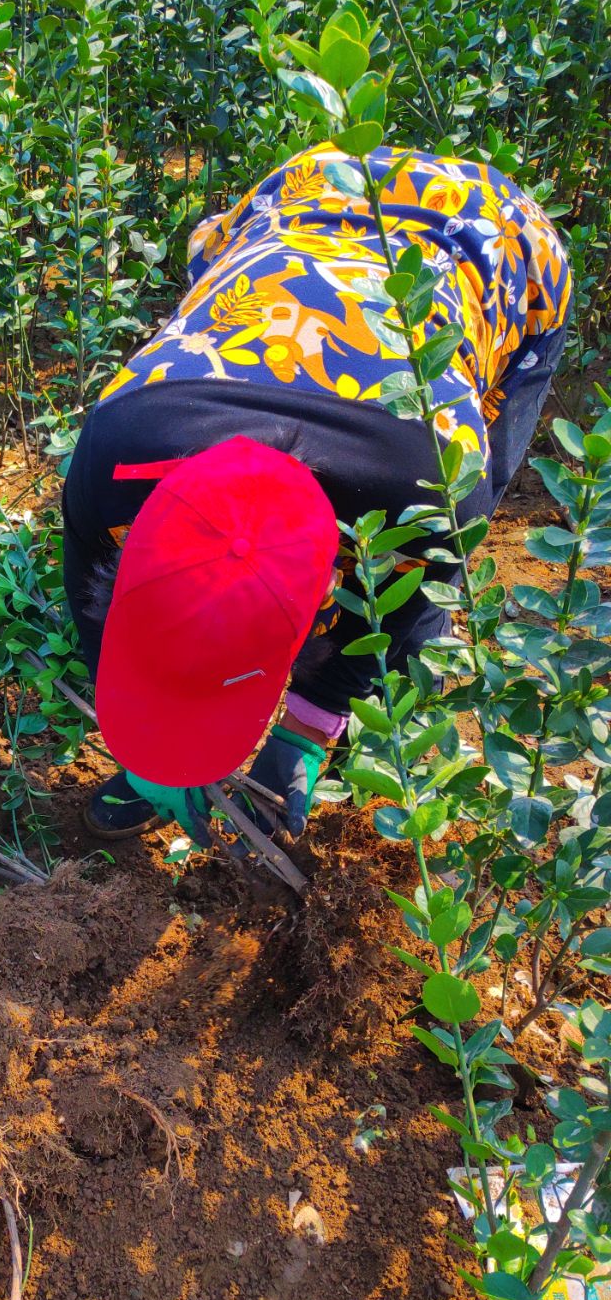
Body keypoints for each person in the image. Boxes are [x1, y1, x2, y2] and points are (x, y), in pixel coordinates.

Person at [62, 142, 571, 842]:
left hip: (491, 238)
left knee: (417, 592)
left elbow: (405, 588)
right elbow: (95, 598)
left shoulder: (439, 486)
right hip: (306, 198)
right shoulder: (115, 449)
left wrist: (309, 723)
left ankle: (360, 715)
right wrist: (148, 744)